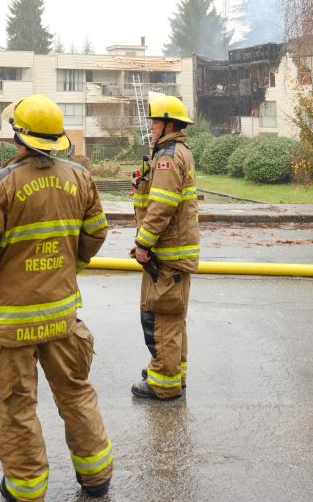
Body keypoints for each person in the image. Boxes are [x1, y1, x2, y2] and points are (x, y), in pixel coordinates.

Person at [0, 94, 113, 501]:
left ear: (19, 137)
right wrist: (71, 265)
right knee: (76, 393)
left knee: (17, 405)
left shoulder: (1, 184)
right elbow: (96, 232)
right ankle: (96, 476)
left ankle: (26, 489)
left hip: (13, 321)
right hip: (63, 315)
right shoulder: (80, 177)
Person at [130, 93, 199, 401]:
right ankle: (171, 372)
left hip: (167, 255)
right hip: (174, 253)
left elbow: (162, 207)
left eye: (155, 121)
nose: (151, 127)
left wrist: (143, 243)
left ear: (169, 124)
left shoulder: (168, 157)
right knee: (173, 318)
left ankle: (163, 383)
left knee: (161, 318)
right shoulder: (177, 152)